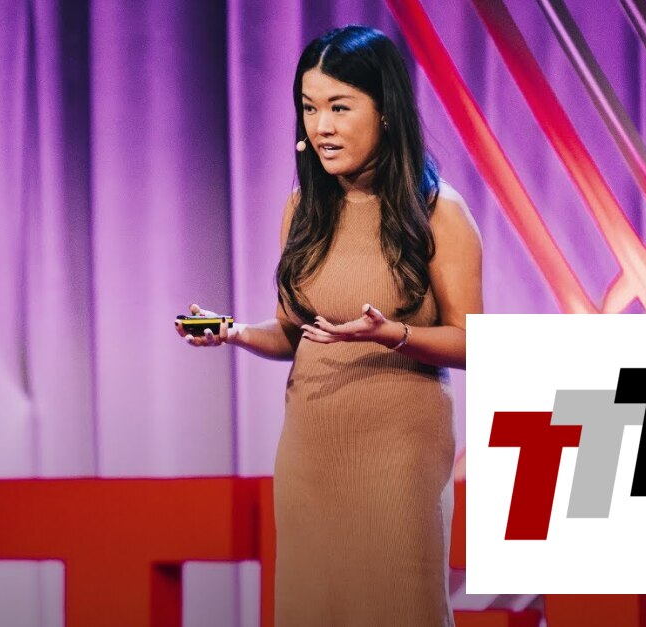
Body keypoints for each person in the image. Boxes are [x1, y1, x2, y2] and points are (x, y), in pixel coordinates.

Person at [175, 25, 482, 625]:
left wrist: (391, 334)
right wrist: (236, 332)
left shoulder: (438, 212)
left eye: (340, 107)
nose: (322, 127)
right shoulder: (304, 208)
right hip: (311, 449)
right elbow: (296, 333)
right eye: (310, 108)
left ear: (386, 112)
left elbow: (473, 343)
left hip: (399, 450)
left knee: (399, 605)